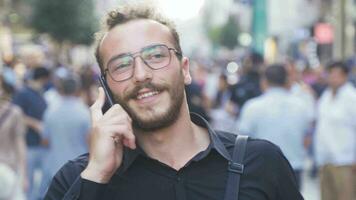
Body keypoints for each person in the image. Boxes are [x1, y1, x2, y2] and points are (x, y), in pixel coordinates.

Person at [44, 4, 303, 199]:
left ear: (185, 69)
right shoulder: (77, 178)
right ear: (106, 87)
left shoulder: (261, 163)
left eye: (156, 56)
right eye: (121, 65)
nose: (141, 74)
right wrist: (97, 174)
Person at [238, 64, 313, 189]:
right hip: (293, 167)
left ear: (264, 81)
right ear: (286, 80)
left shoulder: (252, 107)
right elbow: (307, 137)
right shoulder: (302, 106)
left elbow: (243, 140)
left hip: (261, 169)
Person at [40, 72, 91, 197]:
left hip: (54, 167)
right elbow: (90, 141)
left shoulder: (51, 111)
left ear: (61, 89)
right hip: (78, 168)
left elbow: (45, 141)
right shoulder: (84, 112)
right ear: (77, 90)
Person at [314, 61, 356, 200]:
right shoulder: (326, 96)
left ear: (345, 76)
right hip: (325, 160)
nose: (333, 78)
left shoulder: (351, 98)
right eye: (330, 74)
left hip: (345, 161)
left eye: (337, 75)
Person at [13, 66, 50, 200]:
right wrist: (35, 124)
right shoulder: (23, 93)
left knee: (42, 180)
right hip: (28, 143)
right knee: (27, 180)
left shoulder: (40, 92)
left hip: (41, 143)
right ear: (44, 78)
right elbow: (17, 115)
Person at [0, 72, 27, 200]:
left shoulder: (14, 113)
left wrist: (23, 175)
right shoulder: (14, 112)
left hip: (9, 170)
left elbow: (20, 145)